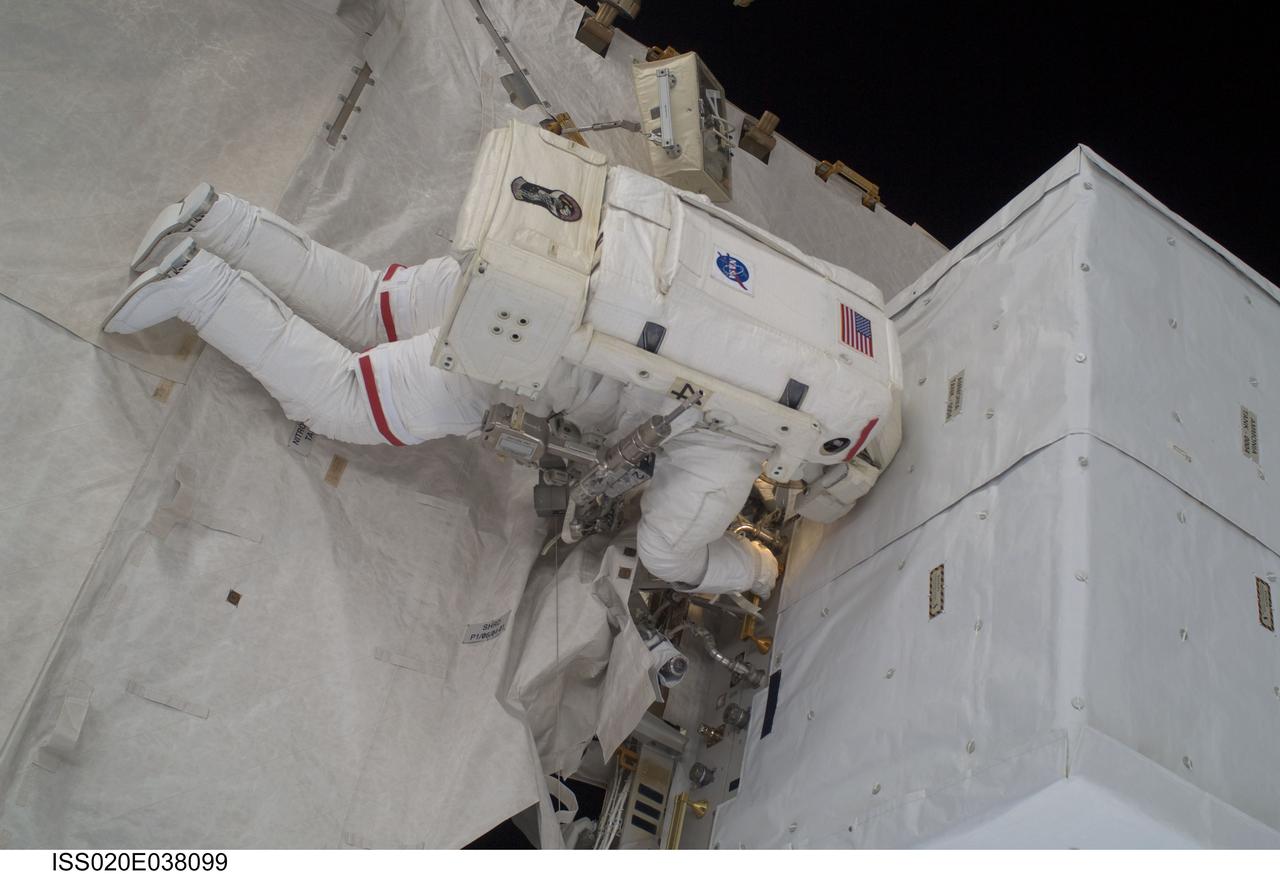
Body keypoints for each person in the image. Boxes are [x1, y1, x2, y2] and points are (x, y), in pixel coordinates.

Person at [105, 183, 780, 598]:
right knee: (343, 398)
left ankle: (214, 218)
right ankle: (197, 285)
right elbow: (668, 551)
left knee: (370, 303)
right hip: (507, 358)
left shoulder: (764, 306)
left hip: (520, 267)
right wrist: (753, 569)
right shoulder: (741, 440)